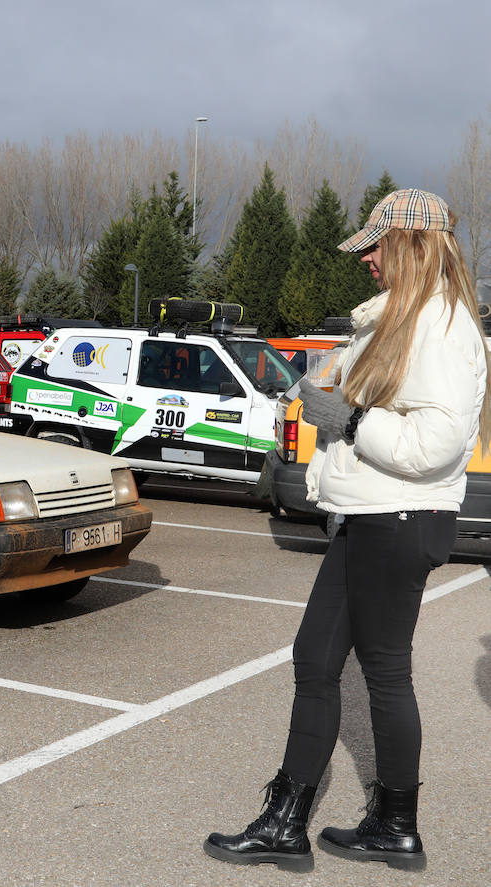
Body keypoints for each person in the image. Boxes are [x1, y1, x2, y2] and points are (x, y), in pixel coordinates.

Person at [204, 188, 491, 873]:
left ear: (412, 245)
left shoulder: (444, 325)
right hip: (376, 516)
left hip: (399, 516)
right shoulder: (405, 318)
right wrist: (326, 395)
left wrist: (350, 421)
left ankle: (371, 823)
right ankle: (319, 821)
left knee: (383, 674)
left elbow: (438, 440)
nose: (368, 261)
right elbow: (359, 391)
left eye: (377, 246)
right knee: (319, 659)